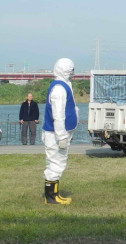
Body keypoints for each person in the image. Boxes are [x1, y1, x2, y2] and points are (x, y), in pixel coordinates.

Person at [42, 58, 77, 205]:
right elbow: (58, 115)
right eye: (71, 70)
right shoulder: (59, 89)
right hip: (54, 135)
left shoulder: (63, 85)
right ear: (65, 70)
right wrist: (62, 136)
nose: (73, 73)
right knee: (55, 163)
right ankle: (51, 197)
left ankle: (54, 194)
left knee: (58, 162)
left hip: (57, 133)